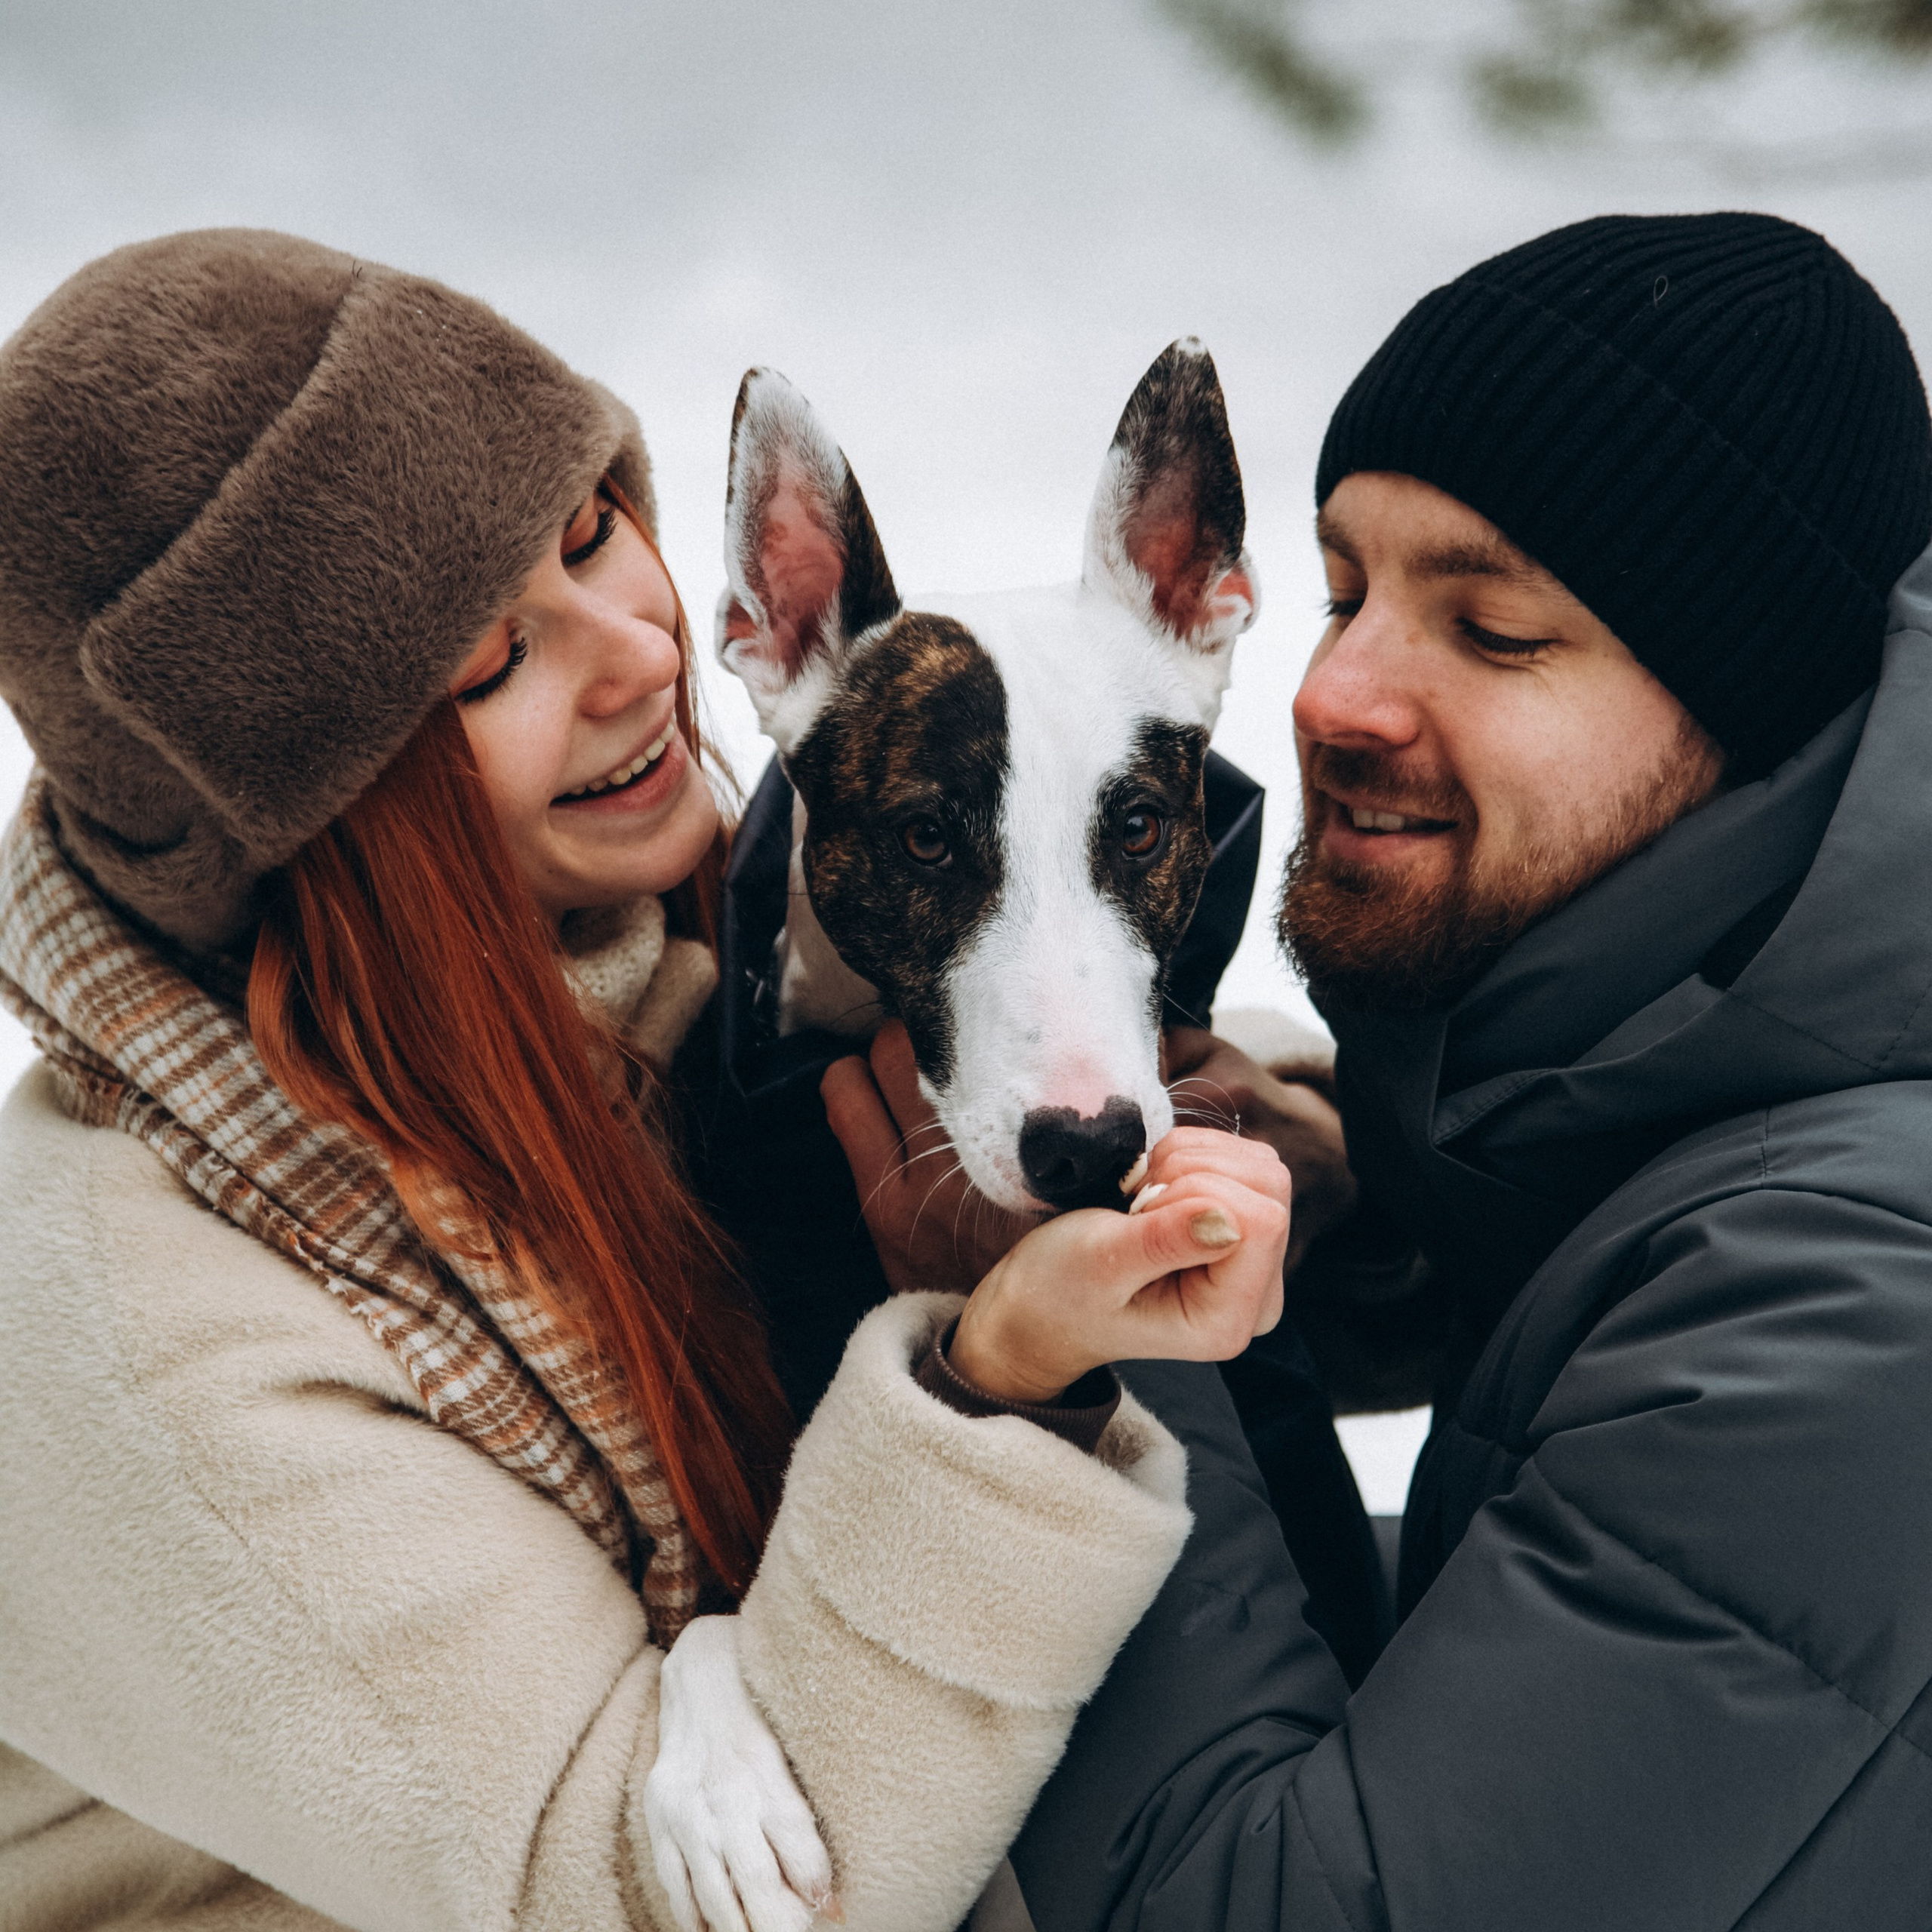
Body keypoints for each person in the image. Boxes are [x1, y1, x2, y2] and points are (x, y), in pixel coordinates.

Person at [0, 229, 1295, 1932]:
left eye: (592, 531)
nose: (640, 655)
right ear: (318, 808)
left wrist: (1303, 1141)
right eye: (491, 660)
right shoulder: (133, 1339)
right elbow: (637, 1893)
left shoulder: (664, 971)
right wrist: (1005, 1378)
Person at [840, 211, 1932, 1930]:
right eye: (1342, 590)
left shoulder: (1863, 1301)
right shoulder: (1674, 1103)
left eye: (1490, 630)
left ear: (1751, 716)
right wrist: (1360, 1204)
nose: (1329, 694)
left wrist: (1081, 1356)